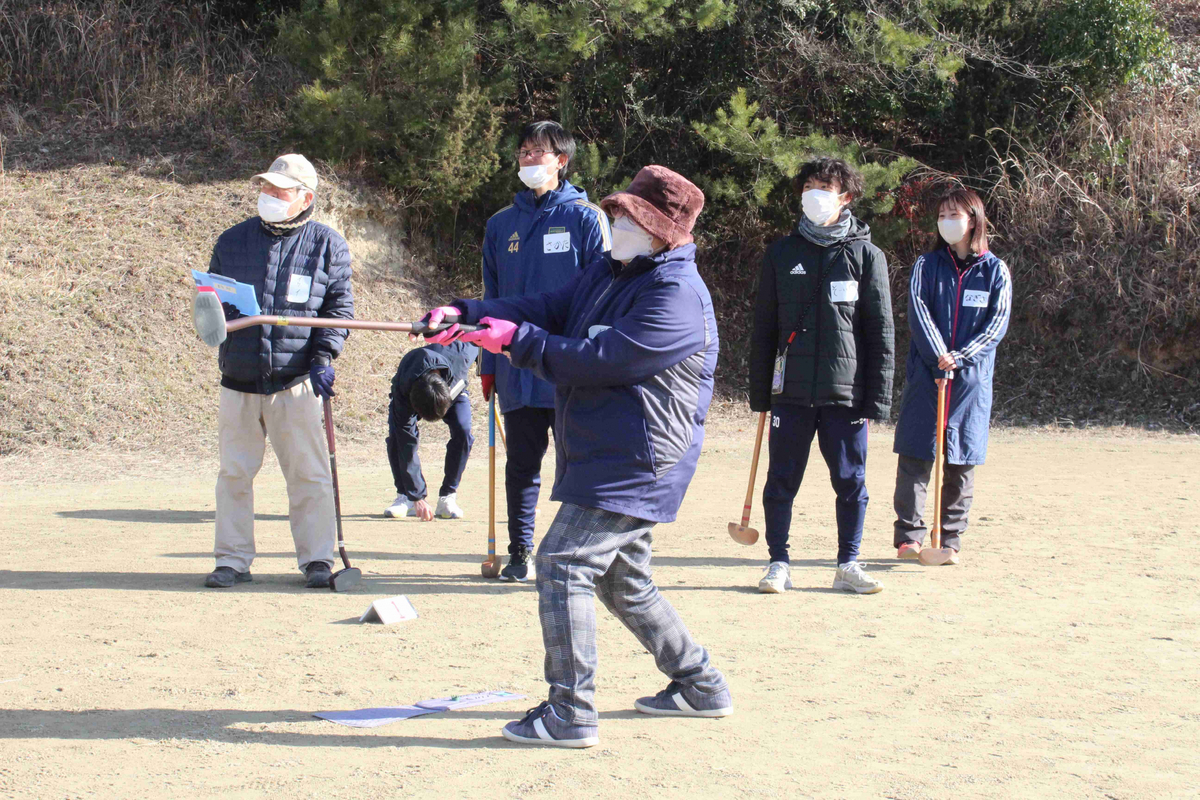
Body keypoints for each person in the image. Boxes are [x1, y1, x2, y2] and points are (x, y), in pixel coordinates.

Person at [422, 165, 731, 748]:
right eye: (618, 213)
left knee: (562, 562)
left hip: (641, 458)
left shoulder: (677, 295)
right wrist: (465, 314)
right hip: (607, 448)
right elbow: (544, 304)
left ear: (666, 232)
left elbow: (604, 358)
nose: (618, 223)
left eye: (633, 218)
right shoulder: (610, 271)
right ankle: (701, 683)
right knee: (624, 581)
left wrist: (515, 343)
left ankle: (570, 712)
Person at [203, 154, 354, 590]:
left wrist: (324, 358)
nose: (267, 197)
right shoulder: (232, 241)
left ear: (305, 198)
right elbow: (210, 304)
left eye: (278, 191)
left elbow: (339, 310)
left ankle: (317, 559)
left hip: (297, 380)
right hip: (240, 377)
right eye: (264, 188)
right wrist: (212, 318)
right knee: (233, 473)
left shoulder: (328, 244)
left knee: (308, 474)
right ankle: (231, 559)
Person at [748, 157, 895, 595]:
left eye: (825, 186)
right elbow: (764, 329)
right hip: (789, 392)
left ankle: (848, 563)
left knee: (851, 481)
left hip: (844, 394)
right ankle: (778, 562)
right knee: (781, 480)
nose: (815, 193)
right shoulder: (780, 253)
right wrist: (760, 393)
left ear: (845, 197)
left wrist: (878, 398)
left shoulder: (867, 256)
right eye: (809, 185)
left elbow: (880, 331)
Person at [480, 121, 611, 581]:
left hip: (568, 364)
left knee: (575, 464)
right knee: (521, 463)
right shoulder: (501, 225)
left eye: (540, 152)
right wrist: (487, 364)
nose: (530, 160)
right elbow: (491, 298)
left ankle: (578, 551)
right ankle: (520, 551)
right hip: (515, 367)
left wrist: (597, 359)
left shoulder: (586, 217)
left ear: (562, 161)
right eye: (523, 152)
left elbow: (604, 293)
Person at [892, 188, 1012, 564]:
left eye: (954, 214)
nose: (947, 222)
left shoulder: (995, 271)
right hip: (926, 374)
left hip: (970, 381)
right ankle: (908, 538)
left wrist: (959, 357)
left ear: (973, 219)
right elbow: (919, 310)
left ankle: (948, 539)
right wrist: (938, 356)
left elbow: (996, 325)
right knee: (915, 453)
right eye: (942, 215)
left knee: (960, 458)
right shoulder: (926, 265)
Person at [382, 341, 480, 521]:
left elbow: (483, 343)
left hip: (453, 387)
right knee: (398, 437)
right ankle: (406, 496)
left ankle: (448, 496)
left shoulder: (462, 355)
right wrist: (417, 495)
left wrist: (489, 371)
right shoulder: (405, 387)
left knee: (463, 430)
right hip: (410, 387)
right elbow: (407, 442)